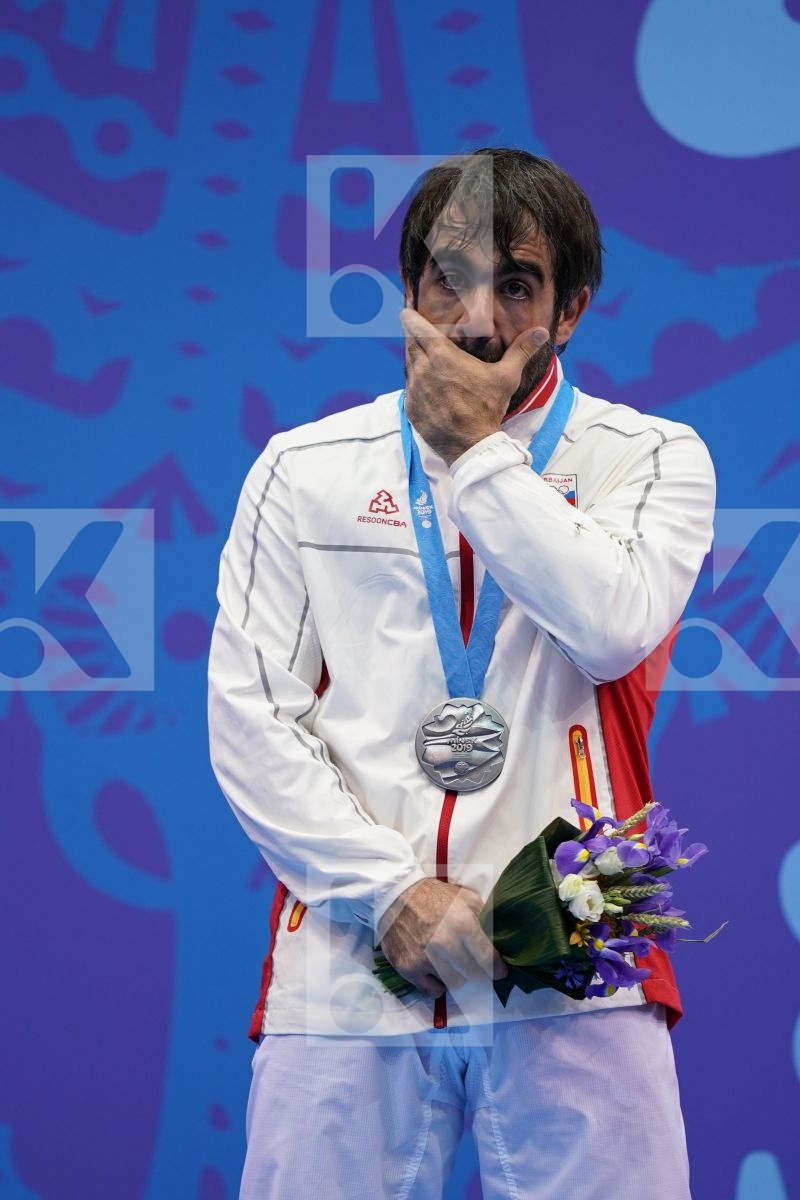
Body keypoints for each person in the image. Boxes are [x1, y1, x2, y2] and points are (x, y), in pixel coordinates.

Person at [207, 148, 715, 1199]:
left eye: (516, 285)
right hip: (347, 975)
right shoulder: (302, 471)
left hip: (577, 976)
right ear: (407, 290)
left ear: (569, 309)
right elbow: (252, 719)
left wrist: (478, 457)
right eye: (448, 277)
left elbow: (612, 627)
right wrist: (385, 892)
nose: (476, 320)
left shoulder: (651, 457)